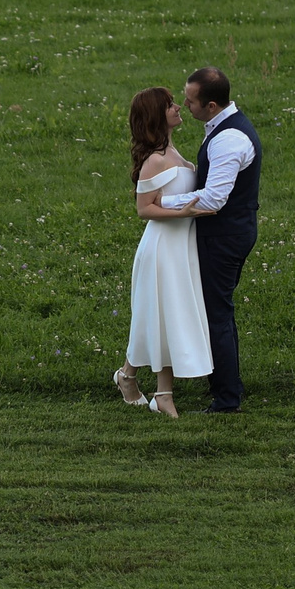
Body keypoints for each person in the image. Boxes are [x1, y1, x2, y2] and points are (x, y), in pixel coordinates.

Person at [152, 66, 260, 413]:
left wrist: (159, 203)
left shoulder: (229, 138)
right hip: (228, 233)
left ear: (211, 105)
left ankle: (227, 399)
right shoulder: (221, 127)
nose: (184, 104)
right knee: (218, 312)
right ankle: (227, 386)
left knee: (216, 314)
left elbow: (213, 200)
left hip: (224, 237)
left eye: (190, 100)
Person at [111, 87, 211, 418]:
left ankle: (129, 377)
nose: (178, 107)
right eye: (170, 105)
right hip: (161, 248)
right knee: (159, 317)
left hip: (181, 248)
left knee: (164, 317)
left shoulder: (174, 151)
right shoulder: (154, 160)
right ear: (157, 115)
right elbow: (144, 209)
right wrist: (183, 215)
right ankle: (161, 394)